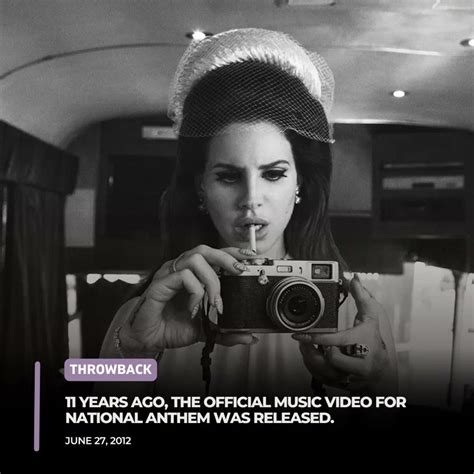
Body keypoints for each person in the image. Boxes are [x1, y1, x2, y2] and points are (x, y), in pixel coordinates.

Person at [99, 28, 398, 396]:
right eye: (228, 176)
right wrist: (132, 351)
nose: (251, 199)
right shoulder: (147, 312)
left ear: (300, 184)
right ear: (200, 188)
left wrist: (376, 386)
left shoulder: (353, 315)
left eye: (273, 174)